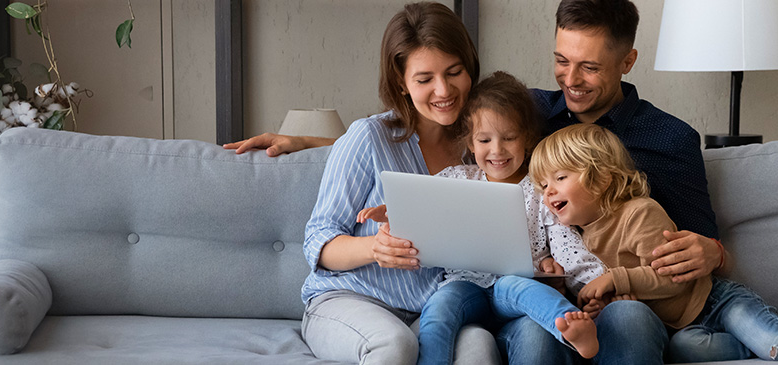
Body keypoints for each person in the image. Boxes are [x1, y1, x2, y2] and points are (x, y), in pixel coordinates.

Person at [224, 0, 726, 288]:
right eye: (561, 60)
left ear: (628, 61)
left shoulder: (670, 138)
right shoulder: (533, 112)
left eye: (590, 67)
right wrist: (313, 142)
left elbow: (710, 241)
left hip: (631, 290)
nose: (571, 80)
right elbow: (429, 126)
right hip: (538, 285)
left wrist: (711, 252)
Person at [530, 123, 778, 363]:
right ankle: (760, 348)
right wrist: (607, 299)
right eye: (543, 185)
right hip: (681, 327)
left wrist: (617, 280)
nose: (548, 193)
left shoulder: (638, 212)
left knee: (776, 339)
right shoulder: (583, 235)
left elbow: (672, 279)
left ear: (601, 177)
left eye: (560, 179)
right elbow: (632, 297)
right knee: (688, 351)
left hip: (715, 300)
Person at [356, 71, 607, 363]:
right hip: (464, 287)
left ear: (526, 138)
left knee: (520, 287)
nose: (497, 150)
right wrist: (394, 213)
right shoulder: (456, 178)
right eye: (485, 140)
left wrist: (597, 286)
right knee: (438, 308)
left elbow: (568, 247)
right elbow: (422, 209)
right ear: (471, 143)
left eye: (509, 138)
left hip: (512, 289)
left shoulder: (541, 191)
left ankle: (570, 327)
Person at [297, 3, 482, 364]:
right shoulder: (368, 137)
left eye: (454, 72)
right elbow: (318, 239)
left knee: (480, 348)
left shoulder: (483, 147)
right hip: (349, 300)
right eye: (424, 79)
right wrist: (374, 249)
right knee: (394, 345)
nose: (443, 89)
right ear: (401, 82)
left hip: (432, 309)